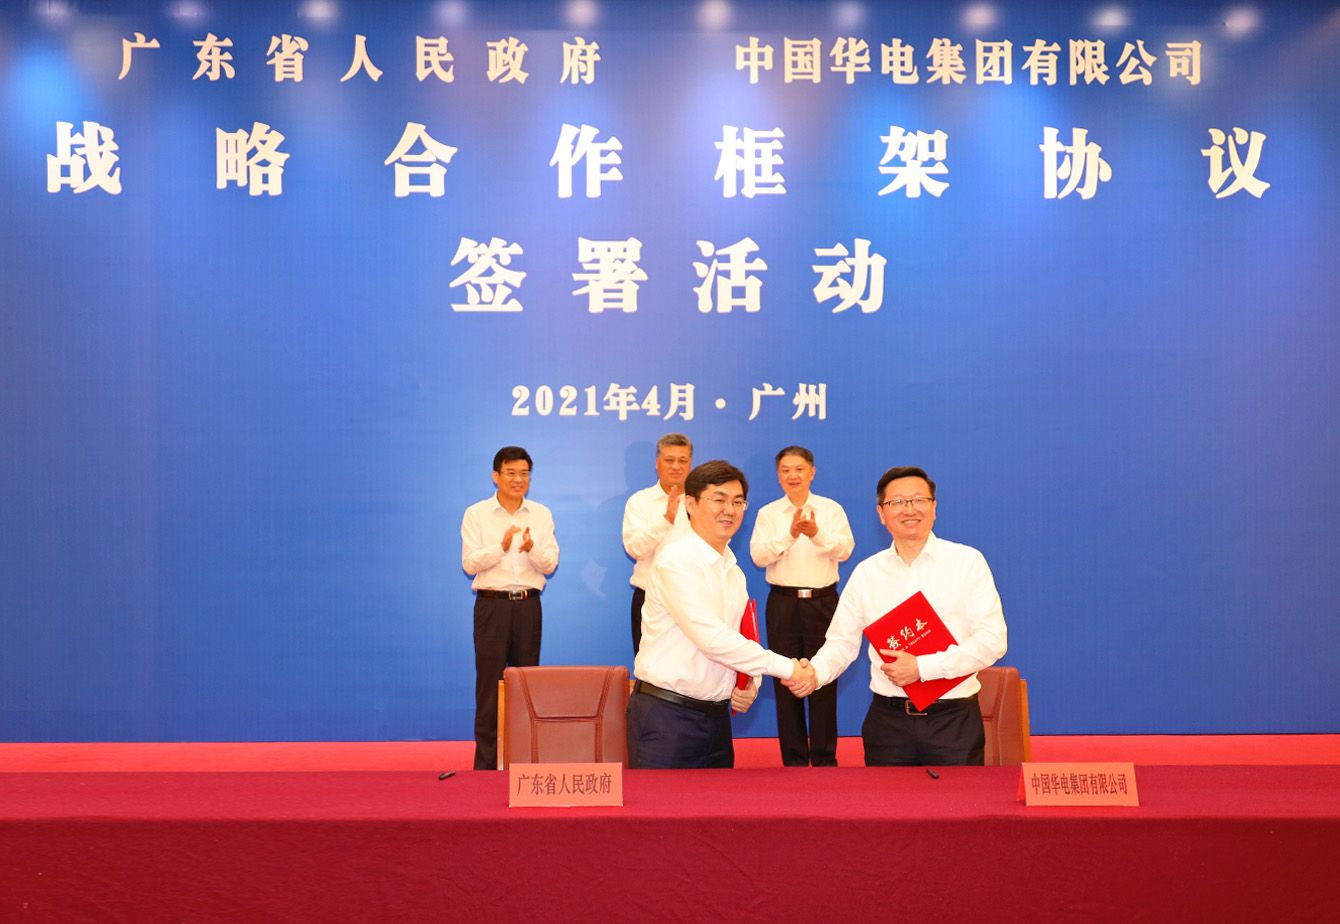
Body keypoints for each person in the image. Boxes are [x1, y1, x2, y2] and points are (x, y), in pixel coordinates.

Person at [787, 466, 1006, 766]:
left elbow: (992, 641)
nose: (909, 509)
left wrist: (923, 667)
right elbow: (841, 643)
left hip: (953, 721)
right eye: (897, 502)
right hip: (888, 724)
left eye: (919, 500)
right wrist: (814, 672)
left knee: (957, 798)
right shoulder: (867, 573)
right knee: (887, 799)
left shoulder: (967, 562)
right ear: (881, 513)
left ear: (934, 507)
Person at [628, 460, 802, 769]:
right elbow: (711, 639)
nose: (729, 510)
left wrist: (750, 684)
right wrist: (788, 668)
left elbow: (742, 636)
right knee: (664, 803)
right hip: (668, 718)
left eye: (738, 502)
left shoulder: (733, 570)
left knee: (717, 803)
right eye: (719, 500)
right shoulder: (676, 560)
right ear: (690, 504)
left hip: (717, 720)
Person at [749, 446, 854, 766]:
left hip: (823, 602)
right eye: (785, 470)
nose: (792, 475)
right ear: (778, 476)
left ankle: (824, 758)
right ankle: (793, 760)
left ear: (812, 472)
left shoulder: (830, 509)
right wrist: (790, 535)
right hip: (783, 604)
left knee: (823, 677)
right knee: (786, 679)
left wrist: (816, 534)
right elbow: (758, 556)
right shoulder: (768, 514)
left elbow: (845, 550)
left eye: (798, 469)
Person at [461, 446, 559, 771]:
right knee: (489, 686)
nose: (518, 479)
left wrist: (531, 549)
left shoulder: (541, 515)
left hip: (528, 606)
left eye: (524, 473)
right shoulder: (476, 514)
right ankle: (486, 765)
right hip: (491, 607)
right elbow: (469, 563)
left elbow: (550, 563)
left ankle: (523, 762)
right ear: (496, 476)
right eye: (511, 473)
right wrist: (500, 547)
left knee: (525, 684)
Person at [621, 434, 693, 656]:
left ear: (690, 464)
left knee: (692, 666)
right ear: (657, 463)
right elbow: (634, 548)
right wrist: (666, 521)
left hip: (693, 597)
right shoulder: (639, 502)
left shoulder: (701, 501)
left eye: (682, 460)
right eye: (669, 460)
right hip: (650, 598)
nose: (676, 466)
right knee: (649, 664)